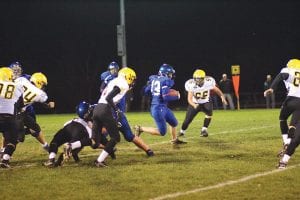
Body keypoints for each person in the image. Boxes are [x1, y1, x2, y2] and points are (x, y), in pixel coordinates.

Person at [99, 62, 154, 157]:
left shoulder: (113, 81)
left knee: (105, 135)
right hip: (111, 112)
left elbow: (103, 91)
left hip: (111, 111)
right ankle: (149, 151)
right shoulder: (119, 83)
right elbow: (107, 95)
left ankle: (149, 151)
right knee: (104, 134)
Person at [93, 67, 139, 167]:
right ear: (128, 77)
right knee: (115, 137)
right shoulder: (124, 84)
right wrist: (117, 110)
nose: (133, 82)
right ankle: (99, 161)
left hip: (97, 108)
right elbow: (109, 97)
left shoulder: (114, 80)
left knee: (95, 142)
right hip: (105, 109)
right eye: (132, 79)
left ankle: (72, 145)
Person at [133, 64, 186, 144]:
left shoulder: (154, 79)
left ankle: (174, 140)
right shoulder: (165, 80)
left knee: (174, 122)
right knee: (162, 132)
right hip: (158, 108)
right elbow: (165, 97)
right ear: (166, 73)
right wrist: (177, 96)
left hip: (162, 107)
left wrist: (151, 89)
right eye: (170, 74)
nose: (171, 76)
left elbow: (144, 92)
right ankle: (140, 129)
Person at [263, 58, 300, 169]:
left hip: (291, 100)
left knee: (282, 118)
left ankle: (286, 141)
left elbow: (281, 76)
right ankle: (291, 133)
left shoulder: (288, 70)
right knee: (296, 132)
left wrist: (272, 89)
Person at [43, 101, 94, 167]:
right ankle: (69, 148)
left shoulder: (74, 119)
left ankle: (51, 159)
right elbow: (91, 139)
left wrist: (77, 159)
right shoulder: (89, 124)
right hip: (79, 131)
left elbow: (64, 126)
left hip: (67, 128)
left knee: (55, 142)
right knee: (87, 141)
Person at [178, 69, 227, 137]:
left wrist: (222, 96)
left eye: (199, 79)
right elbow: (189, 99)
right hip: (195, 102)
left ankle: (204, 130)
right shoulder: (190, 84)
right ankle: (182, 131)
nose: (198, 81)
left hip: (206, 101)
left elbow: (216, 89)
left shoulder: (209, 82)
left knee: (209, 114)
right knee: (188, 120)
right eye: (196, 79)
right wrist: (193, 104)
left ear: (204, 78)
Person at [15, 72, 55, 151]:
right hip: (14, 112)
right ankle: (4, 153)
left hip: (20, 111)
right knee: (18, 136)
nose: (43, 87)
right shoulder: (39, 93)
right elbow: (44, 100)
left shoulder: (22, 80)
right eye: (43, 84)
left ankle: (46, 146)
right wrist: (49, 105)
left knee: (35, 128)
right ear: (39, 82)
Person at [0, 67, 24, 168]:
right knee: (13, 139)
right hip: (8, 118)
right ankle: (5, 159)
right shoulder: (17, 86)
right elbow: (21, 104)